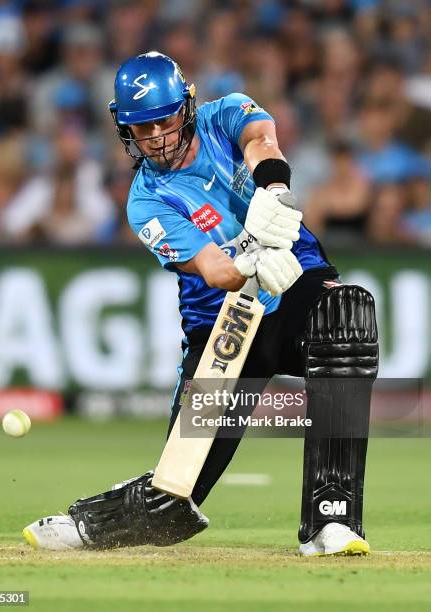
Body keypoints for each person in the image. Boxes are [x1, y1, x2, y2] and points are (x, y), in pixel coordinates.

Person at [23, 52, 378, 556]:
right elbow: (217, 271)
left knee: (348, 317)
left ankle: (332, 521)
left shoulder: (224, 114)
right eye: (141, 129)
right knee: (172, 505)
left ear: (187, 106)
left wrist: (273, 189)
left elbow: (262, 139)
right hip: (225, 324)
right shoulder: (145, 201)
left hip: (297, 282)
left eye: (164, 121)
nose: (156, 139)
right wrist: (255, 254)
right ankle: (89, 524)